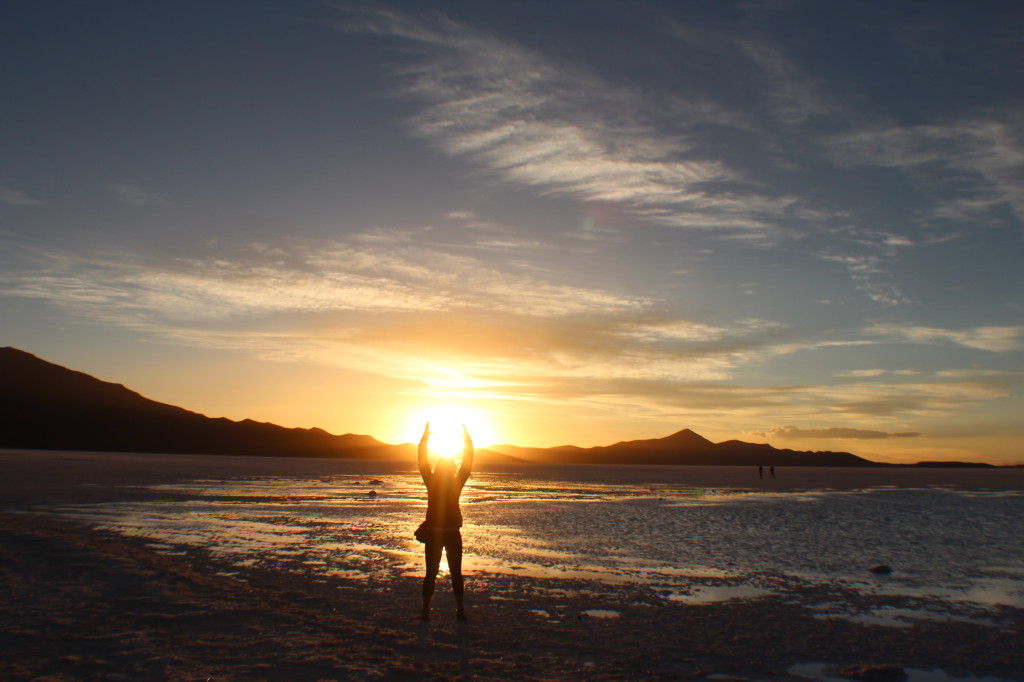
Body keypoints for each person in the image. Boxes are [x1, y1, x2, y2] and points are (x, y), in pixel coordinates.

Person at [415, 421, 473, 621]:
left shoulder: (431, 482)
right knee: (456, 573)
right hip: (450, 533)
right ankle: (460, 610)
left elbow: (421, 461)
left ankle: (425, 611)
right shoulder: (456, 483)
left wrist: (424, 439)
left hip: (434, 533)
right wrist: (467, 441)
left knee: (430, 573)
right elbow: (467, 464)